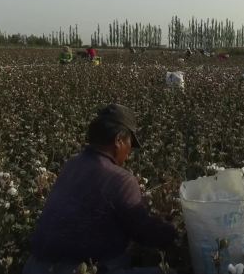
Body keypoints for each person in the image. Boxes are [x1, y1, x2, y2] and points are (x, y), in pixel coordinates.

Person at [24, 104, 177, 274]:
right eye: (130, 144)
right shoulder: (121, 179)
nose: (129, 153)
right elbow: (144, 233)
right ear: (119, 140)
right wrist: (173, 230)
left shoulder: (72, 164)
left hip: (35, 267)